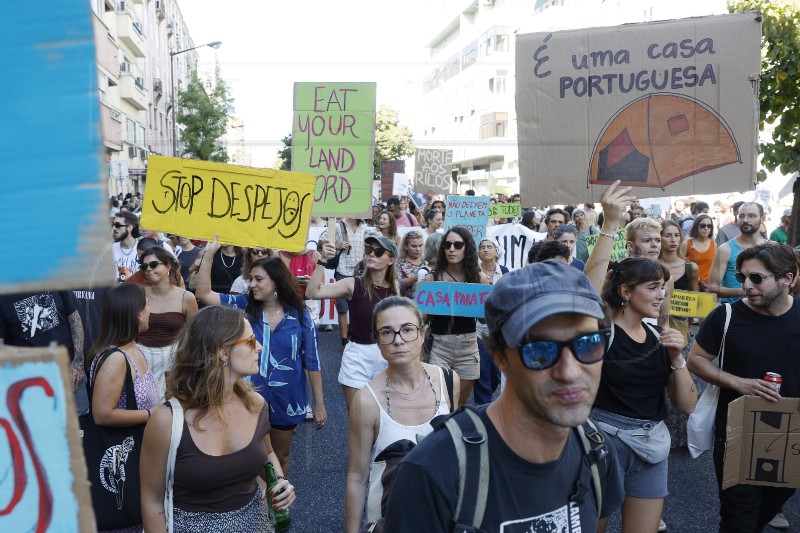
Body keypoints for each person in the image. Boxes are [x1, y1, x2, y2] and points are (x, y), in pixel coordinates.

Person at [383, 261, 624, 531]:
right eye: (539, 350)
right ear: (500, 358)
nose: (569, 372)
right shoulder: (432, 473)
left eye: (588, 343)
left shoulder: (597, 451)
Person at [585, 182, 698, 533]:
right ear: (625, 291)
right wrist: (610, 224)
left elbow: (687, 405)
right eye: (652, 287)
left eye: (662, 287)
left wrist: (677, 358)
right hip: (604, 442)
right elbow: (588, 289)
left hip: (653, 446)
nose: (661, 294)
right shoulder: (602, 331)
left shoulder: (660, 338)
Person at [140, 306, 296, 531]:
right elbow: (152, 500)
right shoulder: (166, 420)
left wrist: (280, 484)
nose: (259, 347)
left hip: (256, 525)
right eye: (251, 341)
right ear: (223, 353)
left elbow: (267, 453)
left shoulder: (255, 404)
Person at [687, 243, 800, 532]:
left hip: (792, 433)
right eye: (742, 277)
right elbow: (697, 360)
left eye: (757, 278)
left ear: (787, 279)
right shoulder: (725, 316)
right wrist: (738, 383)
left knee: (771, 505)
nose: (746, 285)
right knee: (739, 518)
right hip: (738, 431)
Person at [196, 243, 326, 475]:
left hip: (287, 398)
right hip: (245, 395)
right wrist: (209, 255)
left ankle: (276, 507)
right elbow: (204, 294)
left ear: (275, 282)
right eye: (251, 279)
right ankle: (252, 504)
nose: (251, 284)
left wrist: (319, 405)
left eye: (258, 279)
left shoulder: (300, 315)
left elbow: (312, 362)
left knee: (281, 456)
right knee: (245, 456)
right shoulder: (243, 307)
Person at [344, 296, 458, 532]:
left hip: (443, 516)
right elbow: (357, 476)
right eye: (387, 332)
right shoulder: (366, 400)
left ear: (422, 334)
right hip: (389, 521)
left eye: (407, 330)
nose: (398, 340)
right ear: (377, 341)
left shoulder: (448, 380)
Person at [86, 284, 158, 533]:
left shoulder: (133, 348)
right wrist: (152, 415)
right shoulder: (116, 358)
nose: (150, 310)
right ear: (134, 312)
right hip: (126, 454)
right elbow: (102, 414)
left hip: (142, 452)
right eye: (146, 305)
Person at [307, 235, 400, 412]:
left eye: (378, 252)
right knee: (359, 421)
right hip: (357, 356)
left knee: (387, 420)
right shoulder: (353, 284)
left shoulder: (397, 289)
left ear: (391, 260)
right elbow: (312, 293)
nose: (371, 254)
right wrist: (323, 261)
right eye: (368, 250)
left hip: (388, 355)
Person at [424, 227, 490, 406]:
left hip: (468, 347)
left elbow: (484, 320)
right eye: (447, 245)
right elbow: (421, 319)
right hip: (439, 345)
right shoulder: (432, 279)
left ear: (467, 248)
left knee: (459, 404)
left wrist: (485, 304)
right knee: (439, 403)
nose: (451, 249)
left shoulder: (479, 278)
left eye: (457, 245)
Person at [0, 290, 87, 413]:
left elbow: (75, 320)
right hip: (32, 386)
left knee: (80, 428)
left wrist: (78, 363)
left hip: (70, 375)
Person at [137, 246, 198, 402]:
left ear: (168, 266)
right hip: (141, 359)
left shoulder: (186, 297)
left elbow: (194, 337)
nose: (148, 269)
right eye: (144, 266)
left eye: (154, 264)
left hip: (174, 363)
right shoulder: (138, 295)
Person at [319, 217, 367, 351]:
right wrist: (337, 245)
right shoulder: (339, 226)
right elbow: (320, 241)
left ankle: (358, 337)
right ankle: (344, 340)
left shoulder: (365, 228)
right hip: (343, 270)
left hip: (361, 273)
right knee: (342, 308)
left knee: (361, 306)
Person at [708, 202, 768, 304]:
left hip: (764, 311)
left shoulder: (770, 248)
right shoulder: (725, 250)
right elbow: (712, 287)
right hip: (734, 312)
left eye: (751, 216)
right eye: (741, 216)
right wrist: (743, 291)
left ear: (762, 218)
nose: (745, 220)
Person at [474, 237, 508, 405]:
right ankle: (482, 410)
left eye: (490, 247)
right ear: (478, 253)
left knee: (496, 373)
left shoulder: (505, 271)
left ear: (497, 252)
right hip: (478, 330)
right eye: (482, 247)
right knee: (482, 371)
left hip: (499, 330)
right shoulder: (472, 272)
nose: (486, 250)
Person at [660, 220, 698, 347]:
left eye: (676, 235)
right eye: (667, 235)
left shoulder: (691, 267)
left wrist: (689, 325)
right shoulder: (652, 265)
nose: (673, 240)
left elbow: (692, 300)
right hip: (656, 322)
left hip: (680, 325)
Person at [680, 214, 717, 292]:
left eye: (709, 226)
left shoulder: (713, 244)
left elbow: (716, 267)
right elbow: (679, 264)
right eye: (703, 226)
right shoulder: (687, 244)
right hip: (691, 285)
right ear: (696, 226)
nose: (706, 228)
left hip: (708, 286)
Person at [112, 212, 142, 282]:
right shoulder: (110, 249)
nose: (114, 228)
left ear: (129, 228)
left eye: (117, 225)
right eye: (113, 224)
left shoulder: (143, 249)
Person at [396, 230, 426, 298]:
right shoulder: (398, 263)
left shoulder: (427, 262)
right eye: (414, 246)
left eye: (420, 246)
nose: (418, 249)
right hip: (405, 303)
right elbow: (397, 285)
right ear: (406, 247)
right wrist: (417, 276)